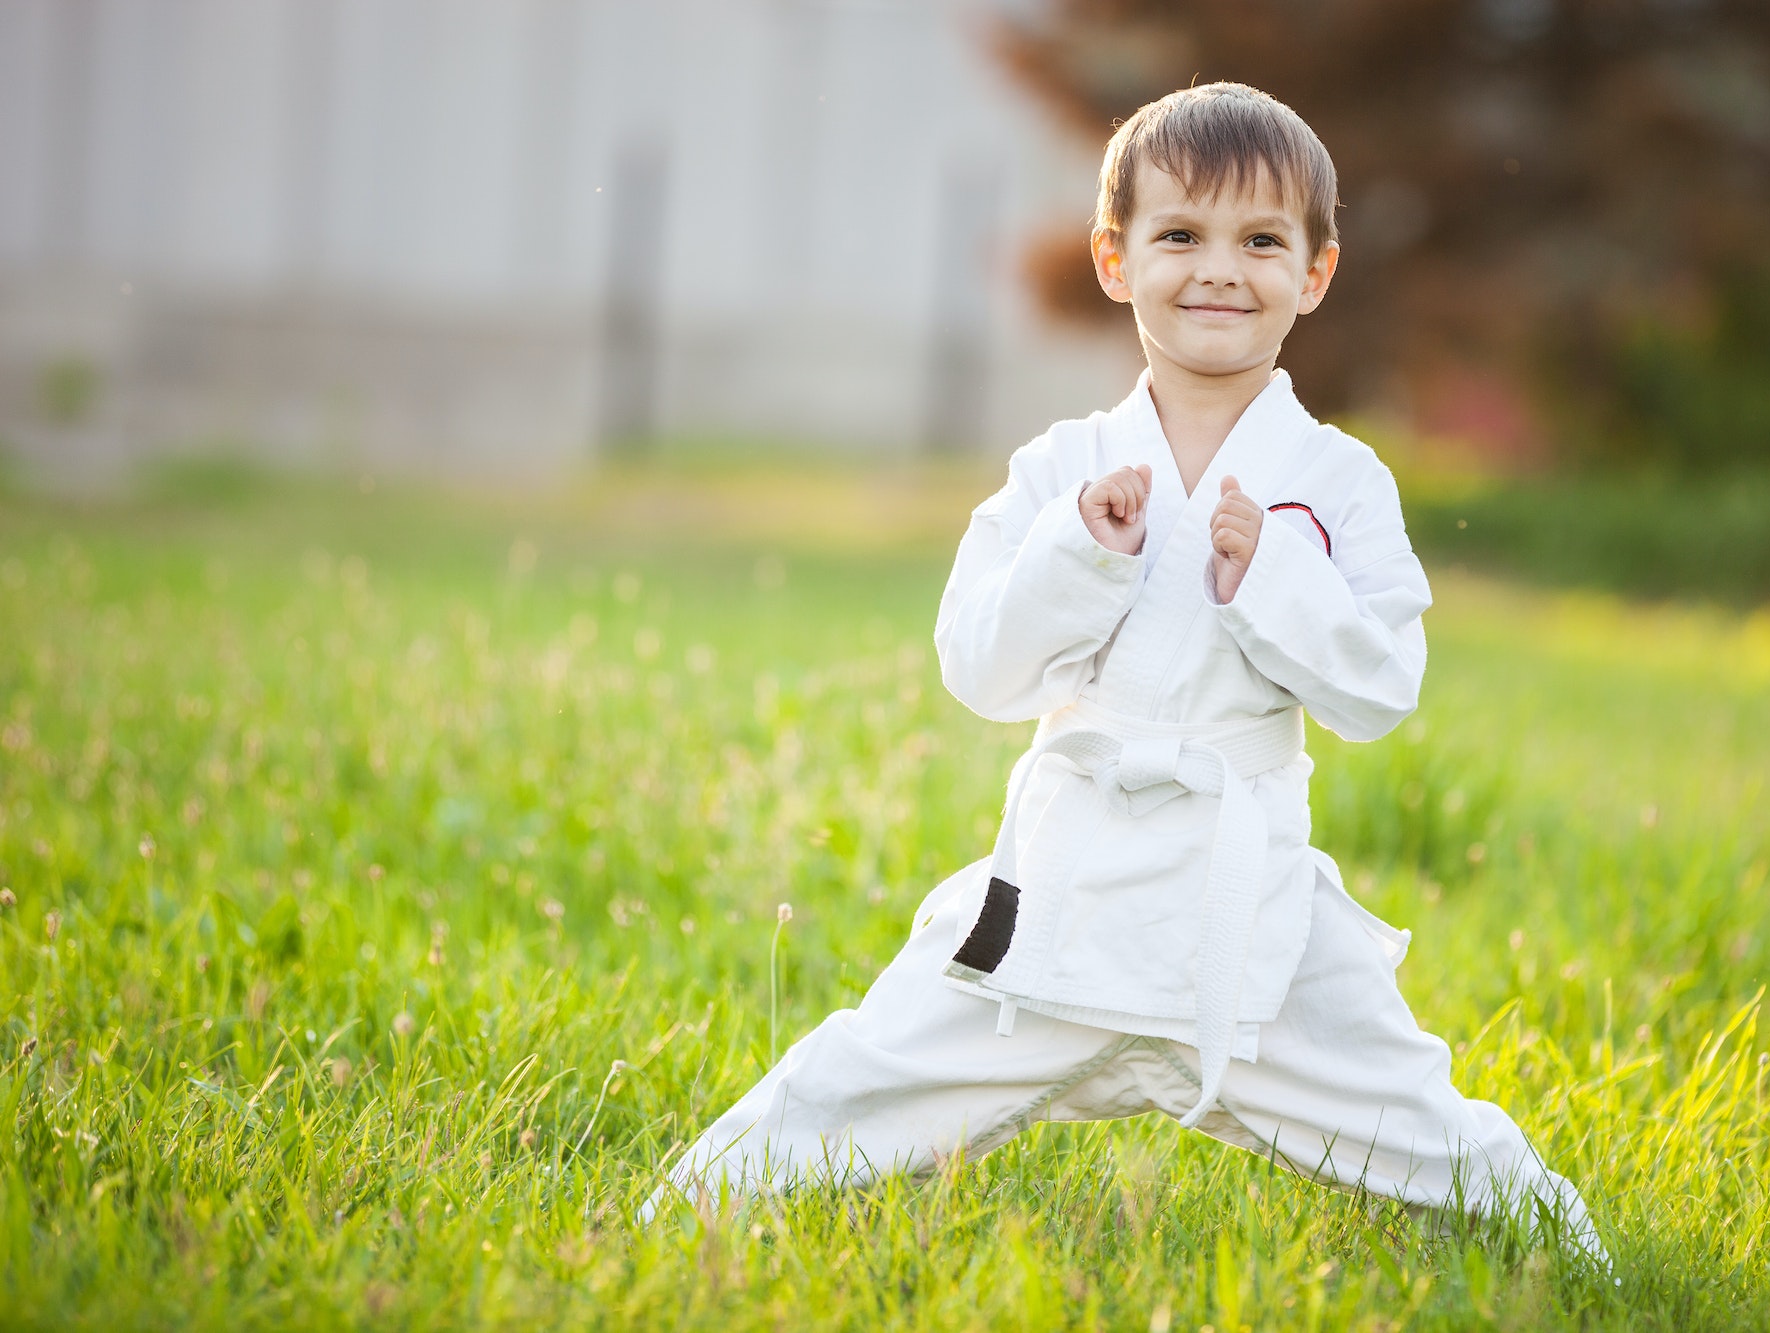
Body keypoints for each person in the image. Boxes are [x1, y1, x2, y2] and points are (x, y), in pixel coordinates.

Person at [643, 82, 1602, 1259]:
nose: (1218, 270)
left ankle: (1574, 1249)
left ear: (1314, 273)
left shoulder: (1338, 481)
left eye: (1260, 241)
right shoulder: (1062, 468)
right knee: (868, 1066)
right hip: (1060, 892)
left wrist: (1275, 580)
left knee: (1418, 1121)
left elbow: (1380, 687)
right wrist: (1078, 555)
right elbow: (978, 670)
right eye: (1178, 236)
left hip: (1246, 914)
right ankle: (678, 1205)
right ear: (1113, 258)